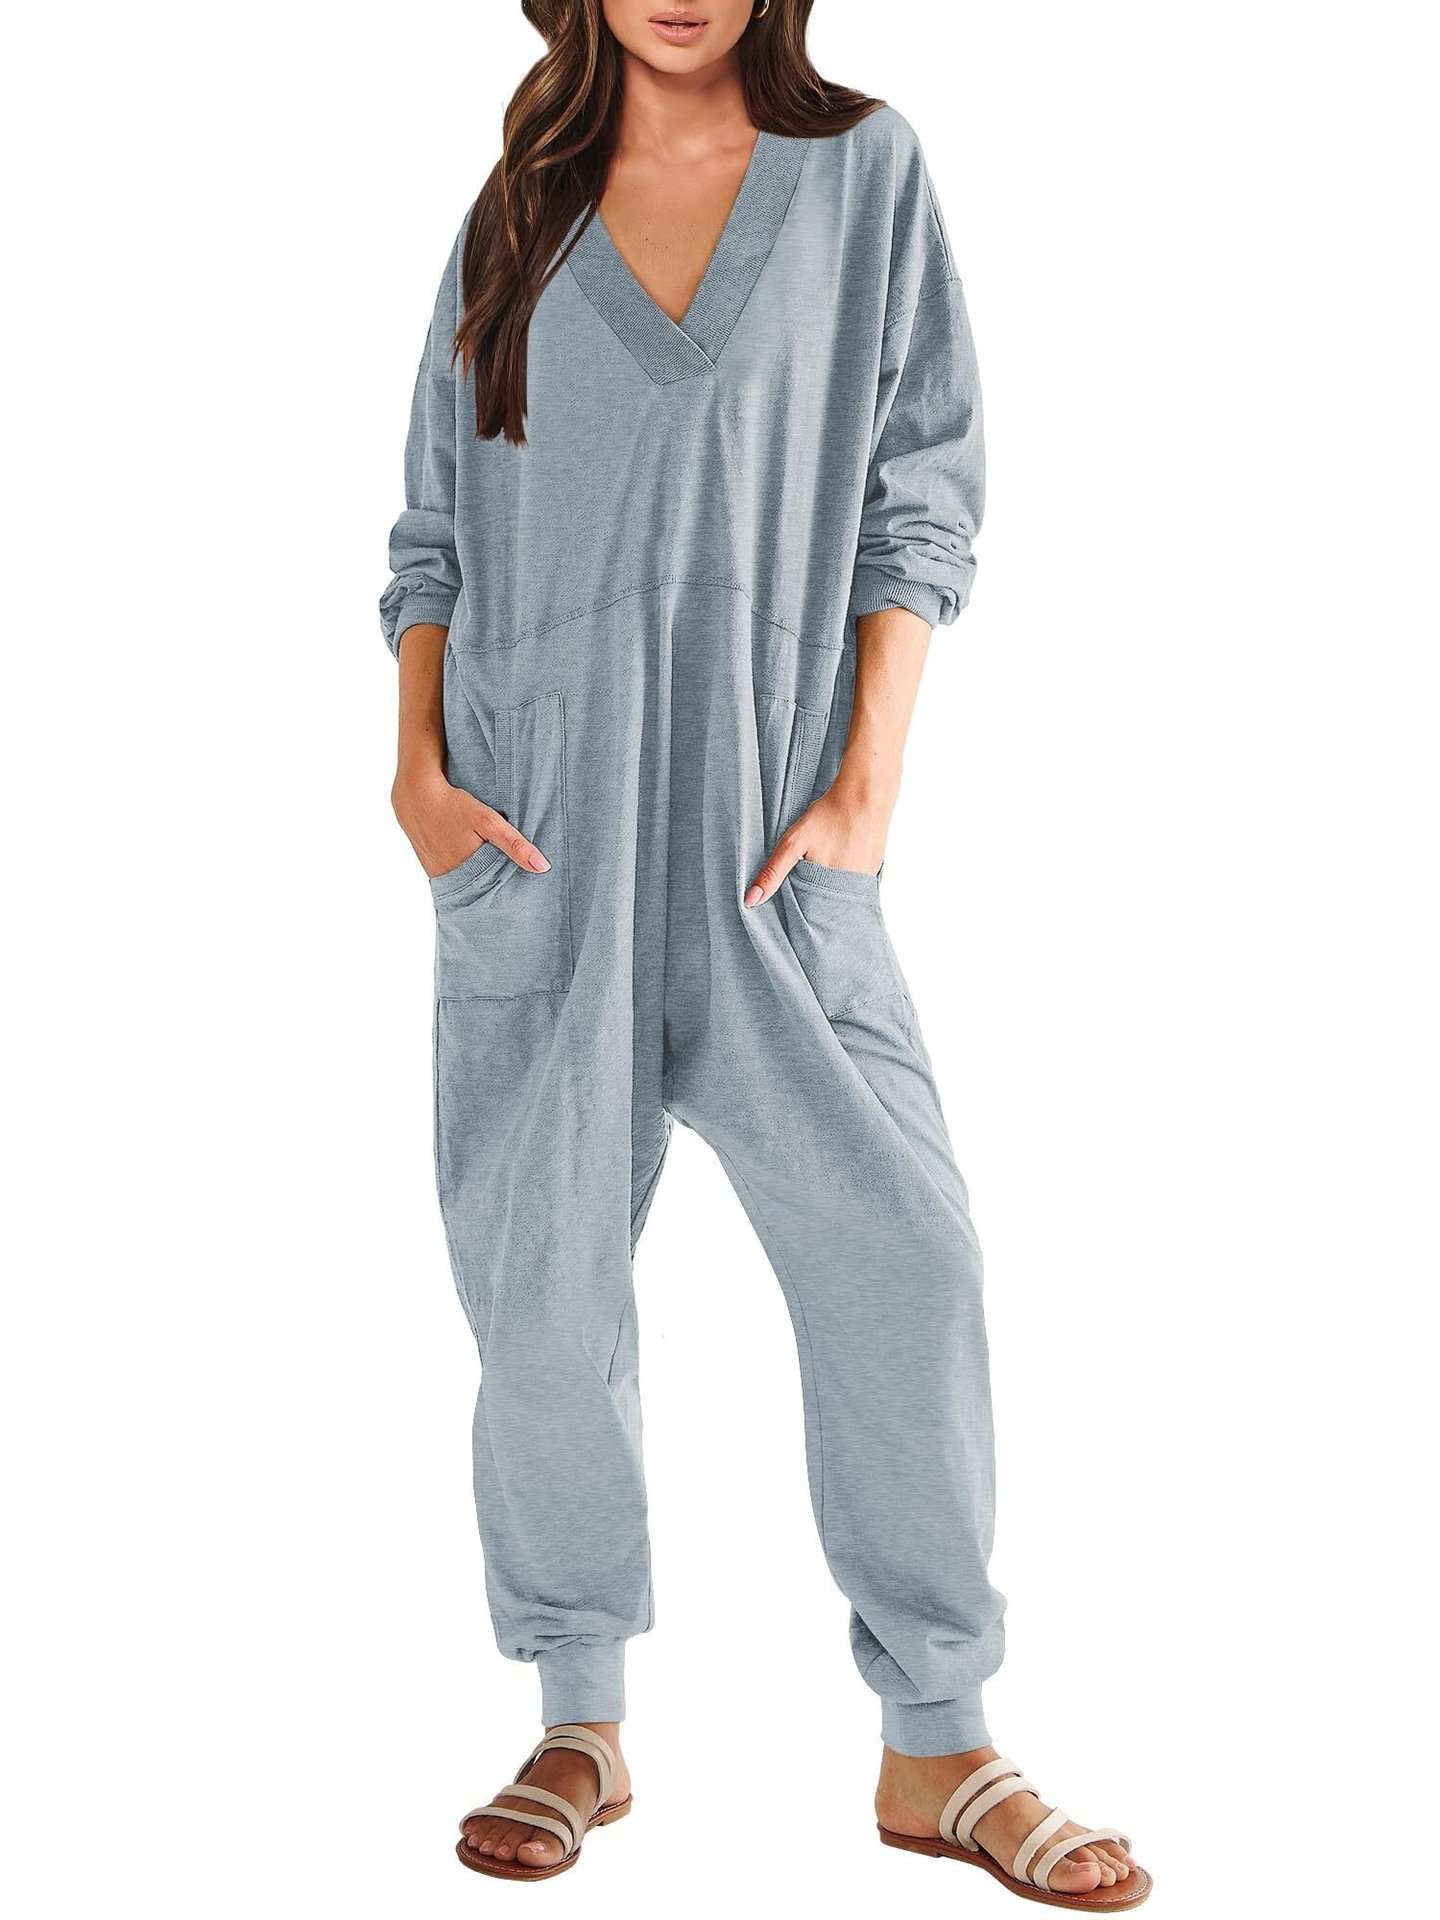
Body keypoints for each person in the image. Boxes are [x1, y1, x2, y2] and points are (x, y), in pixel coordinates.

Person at [380, 1, 1148, 1903]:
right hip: (536, 830)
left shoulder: (862, 175)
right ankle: (577, 1715)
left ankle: (939, 1741)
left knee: (907, 1253)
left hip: (770, 838)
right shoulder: (517, 206)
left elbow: (921, 486)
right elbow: (432, 530)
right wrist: (417, 777)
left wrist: (869, 778)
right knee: (543, 1290)